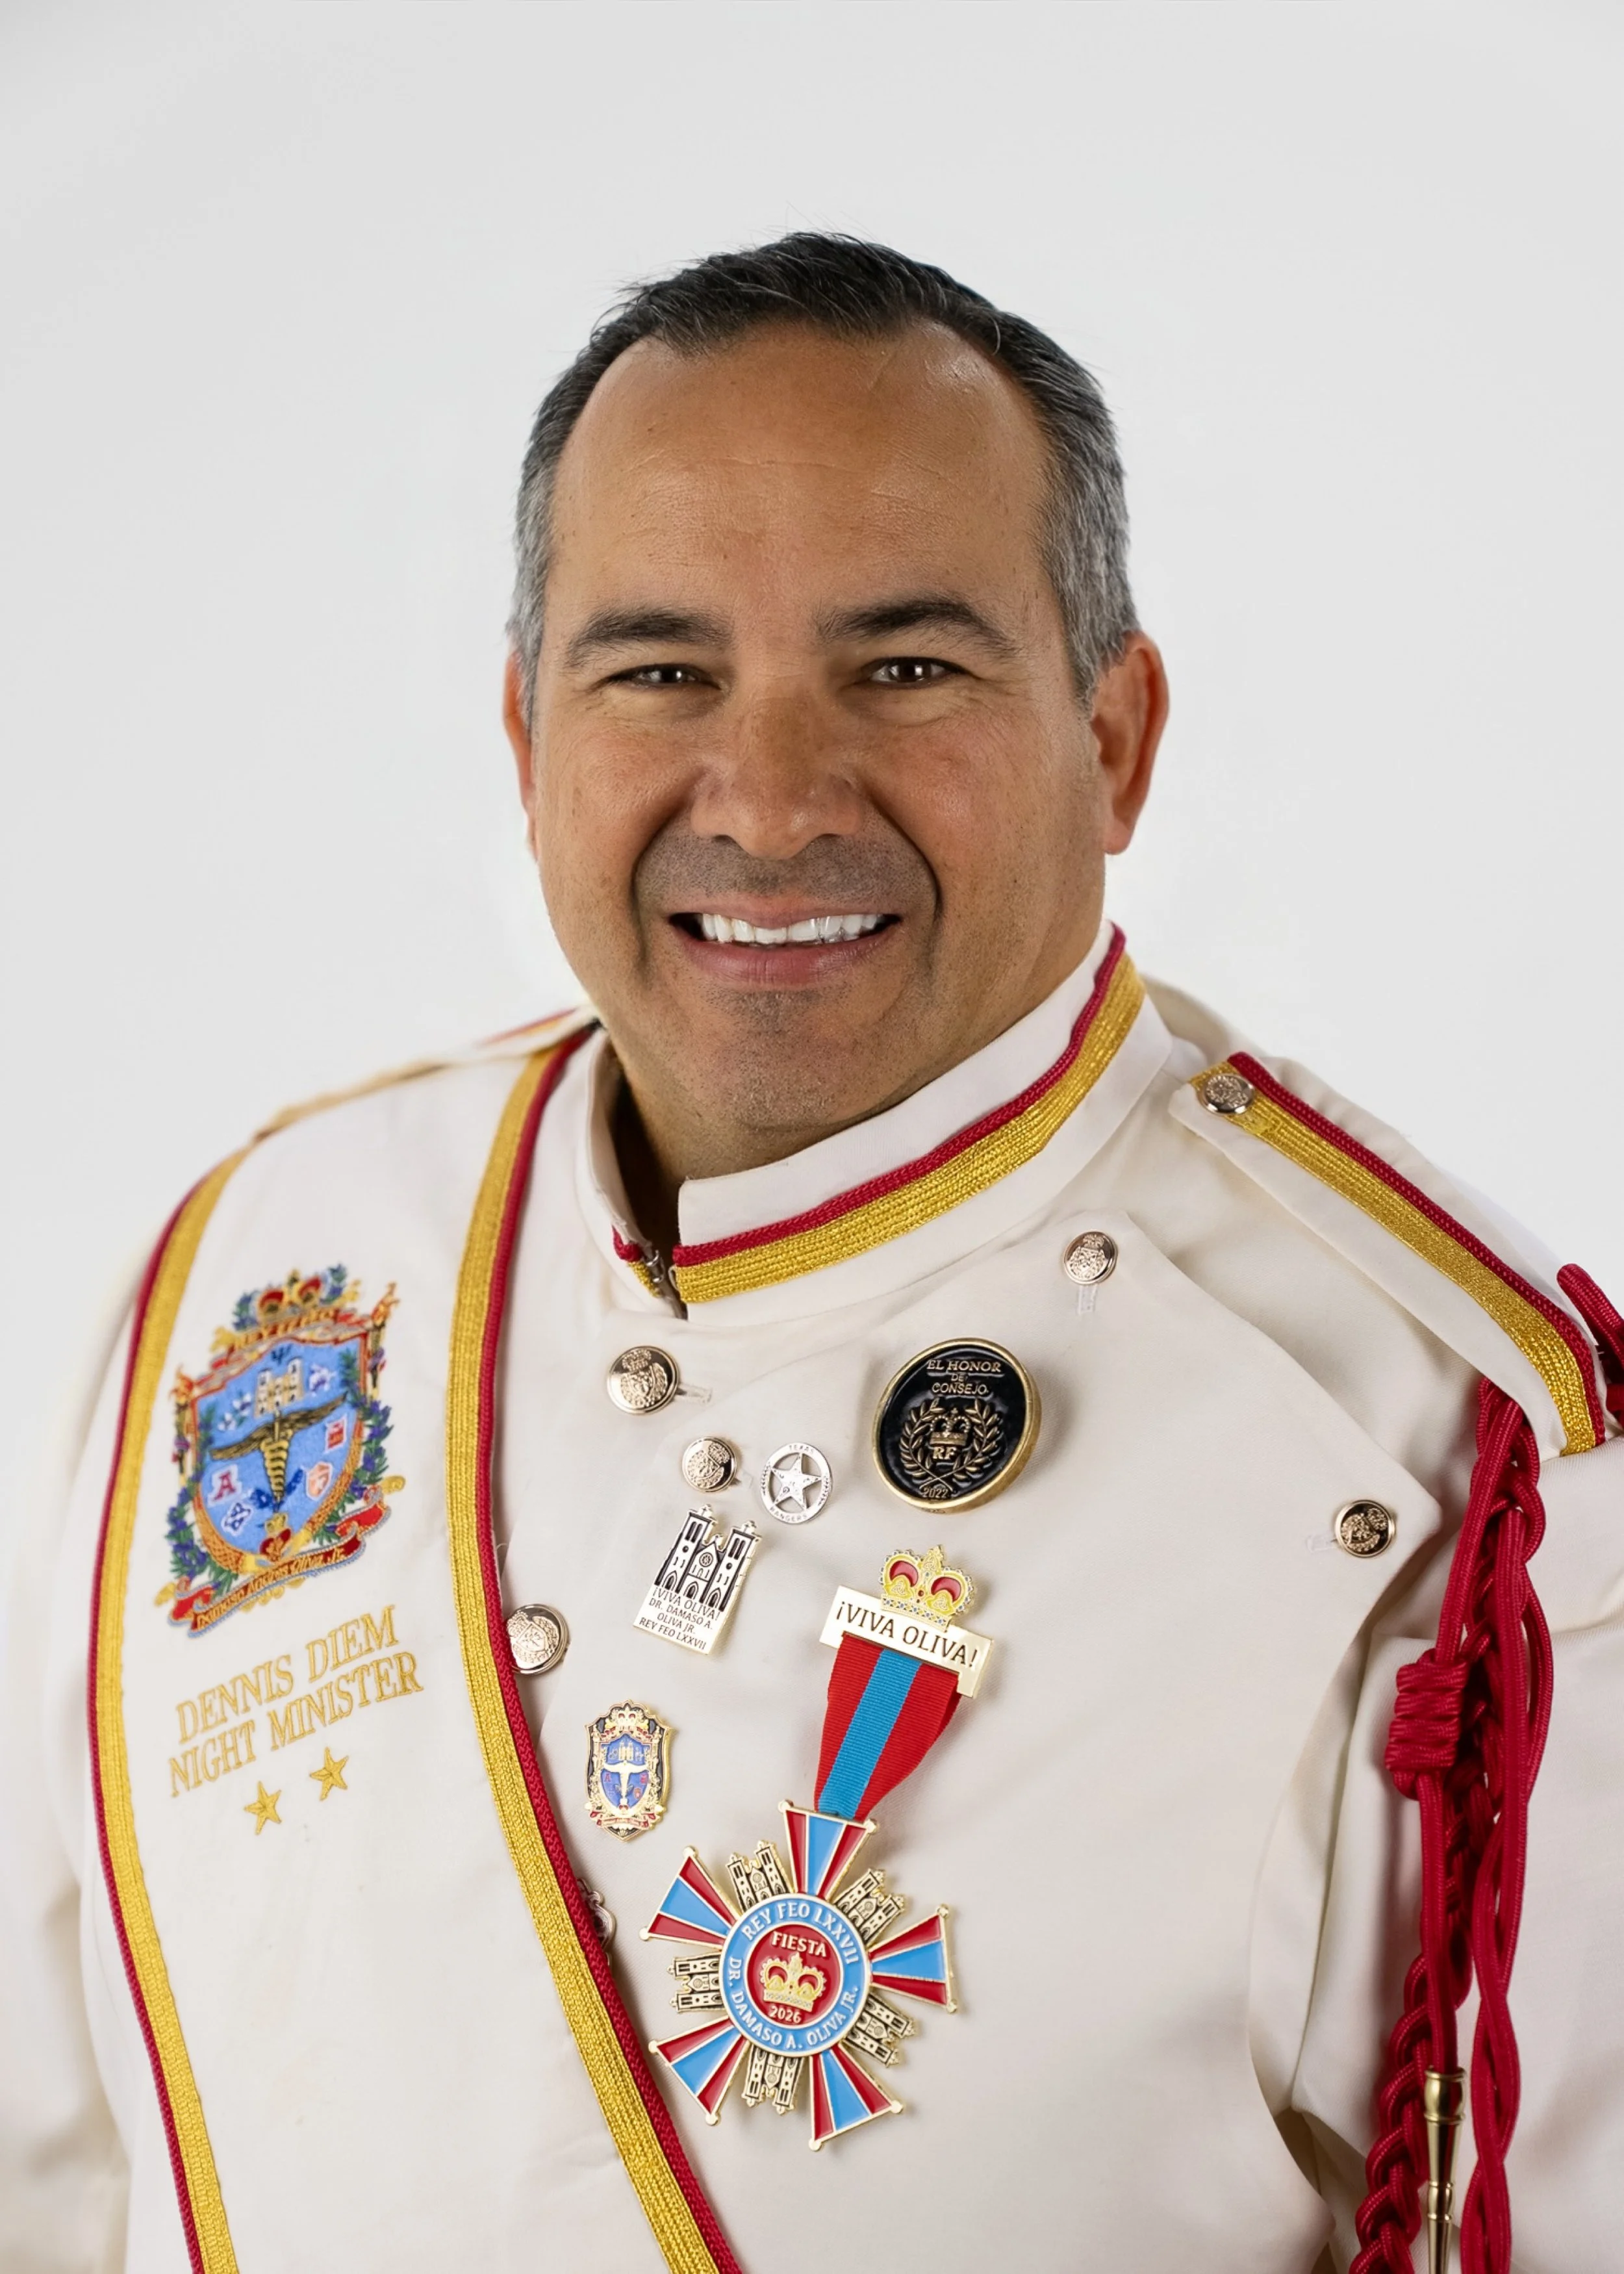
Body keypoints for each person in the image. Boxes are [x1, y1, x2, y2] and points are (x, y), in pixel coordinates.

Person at [3, 235, 1619, 2274]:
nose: (765, 802)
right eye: (660, 671)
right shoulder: (262, 1275)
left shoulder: (1449, 1439)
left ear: (1115, 736)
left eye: (905, 667)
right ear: (525, 737)